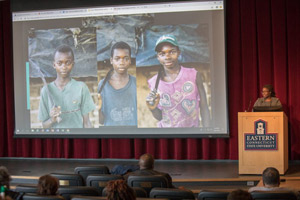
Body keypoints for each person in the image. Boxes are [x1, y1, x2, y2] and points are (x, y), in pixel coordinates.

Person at [146, 34, 210, 127]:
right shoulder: (154, 83)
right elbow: (160, 117)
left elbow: (204, 107)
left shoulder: (193, 75)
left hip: (191, 133)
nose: (167, 57)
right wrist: (152, 108)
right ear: (158, 57)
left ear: (179, 52)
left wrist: (207, 133)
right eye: (162, 54)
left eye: (172, 52)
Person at [38, 44, 96, 128]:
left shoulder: (81, 88)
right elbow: (44, 126)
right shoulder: (46, 90)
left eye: (67, 63)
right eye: (59, 63)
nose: (64, 67)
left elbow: (87, 123)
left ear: (73, 64)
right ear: (54, 65)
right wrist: (52, 120)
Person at [98, 41, 137, 126]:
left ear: (130, 60)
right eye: (117, 58)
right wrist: (99, 109)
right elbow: (101, 121)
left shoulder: (135, 83)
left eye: (125, 58)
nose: (121, 62)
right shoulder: (103, 85)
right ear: (111, 60)